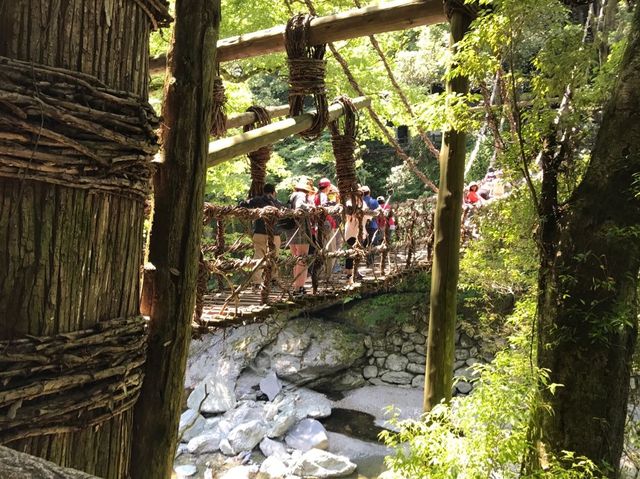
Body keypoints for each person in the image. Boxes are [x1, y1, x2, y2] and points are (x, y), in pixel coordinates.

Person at [239, 184, 283, 291]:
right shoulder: (277, 204)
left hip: (259, 233)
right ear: (273, 192)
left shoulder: (256, 200)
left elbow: (242, 205)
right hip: (274, 235)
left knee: (258, 257)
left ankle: (257, 282)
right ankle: (273, 280)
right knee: (274, 257)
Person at [286, 179, 313, 295]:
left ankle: (296, 286)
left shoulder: (292, 196)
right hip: (300, 229)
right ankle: (299, 287)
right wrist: (311, 207)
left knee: (295, 258)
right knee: (303, 258)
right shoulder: (301, 195)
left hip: (291, 230)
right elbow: (300, 206)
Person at [314, 178, 339, 279]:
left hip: (319, 224)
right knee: (330, 249)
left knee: (322, 248)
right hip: (326, 224)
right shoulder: (323, 196)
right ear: (328, 186)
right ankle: (327, 274)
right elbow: (324, 208)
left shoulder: (316, 196)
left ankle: (322, 273)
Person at [360, 185, 382, 266]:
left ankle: (359, 260)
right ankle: (370, 262)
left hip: (361, 226)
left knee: (362, 243)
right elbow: (378, 212)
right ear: (369, 192)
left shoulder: (360, 202)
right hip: (372, 225)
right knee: (371, 243)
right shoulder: (374, 201)